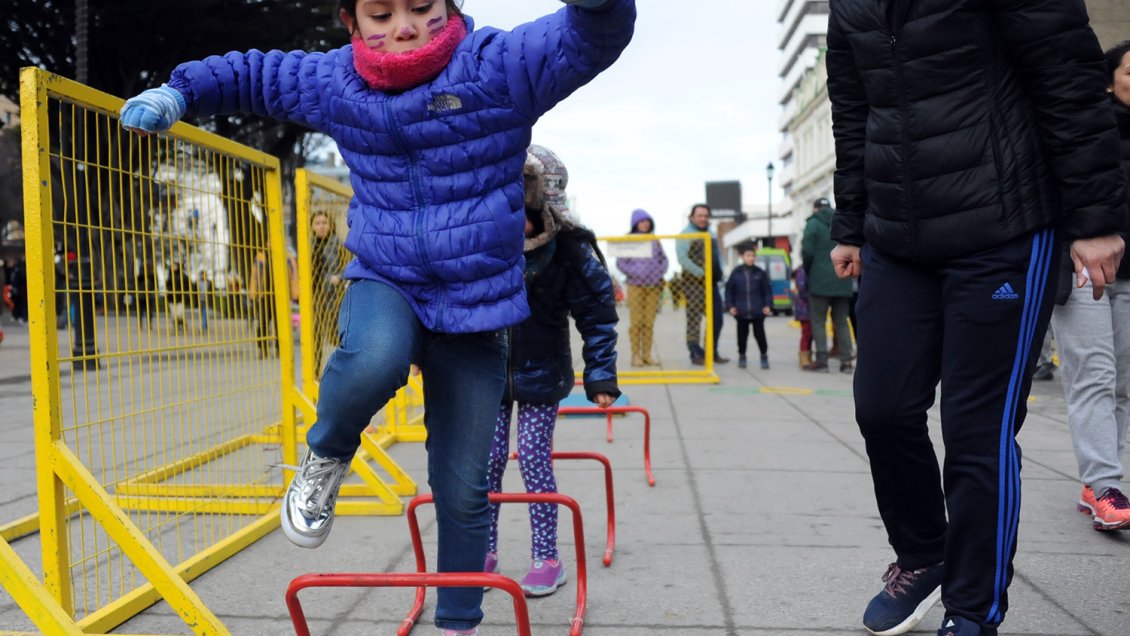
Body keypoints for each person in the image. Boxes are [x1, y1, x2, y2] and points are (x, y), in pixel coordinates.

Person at [119, 2, 634, 634]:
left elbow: (586, 38)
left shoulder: (496, 68)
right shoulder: (339, 82)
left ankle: (458, 621)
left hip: (477, 303)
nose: (405, 26)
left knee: (466, 488)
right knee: (374, 358)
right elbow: (256, 74)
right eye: (382, 13)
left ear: (449, 10)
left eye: (422, 8)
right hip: (386, 276)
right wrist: (181, 90)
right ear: (352, 23)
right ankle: (325, 458)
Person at [826, 2, 1127, 635]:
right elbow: (853, 108)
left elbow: (1069, 80)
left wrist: (1096, 218)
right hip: (896, 236)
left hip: (1005, 226)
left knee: (976, 433)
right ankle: (924, 552)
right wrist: (850, 223)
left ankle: (972, 611)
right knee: (882, 408)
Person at [485, 145, 619, 597]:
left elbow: (598, 313)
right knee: (486, 462)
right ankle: (483, 550)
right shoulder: (485, 244)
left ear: (545, 208)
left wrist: (600, 375)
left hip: (542, 373)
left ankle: (547, 556)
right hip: (488, 375)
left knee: (533, 457)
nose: (515, 224)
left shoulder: (567, 250)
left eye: (523, 213)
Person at [1051, 39, 1130, 533]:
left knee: (1123, 381)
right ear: (1109, 80)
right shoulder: (1083, 129)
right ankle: (1105, 485)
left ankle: (1099, 481)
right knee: (1094, 376)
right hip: (1084, 270)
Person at [801, 197, 853, 373]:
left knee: (818, 321)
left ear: (815, 209)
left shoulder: (813, 224)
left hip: (819, 281)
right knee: (842, 322)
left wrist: (809, 271)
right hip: (843, 278)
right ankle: (846, 361)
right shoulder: (843, 221)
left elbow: (807, 251)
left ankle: (822, 360)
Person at [676, 204, 728, 365]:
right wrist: (702, 273)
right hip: (694, 284)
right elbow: (682, 258)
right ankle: (695, 353)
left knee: (717, 319)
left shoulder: (711, 233)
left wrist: (721, 270)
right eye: (700, 215)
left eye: (706, 215)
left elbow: (718, 255)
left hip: (712, 284)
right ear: (692, 217)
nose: (703, 218)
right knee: (694, 320)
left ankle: (711, 351)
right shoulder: (686, 234)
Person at [615, 208, 667, 366]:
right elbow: (620, 263)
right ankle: (635, 355)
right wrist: (636, 273)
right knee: (636, 322)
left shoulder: (655, 240)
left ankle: (647, 354)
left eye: (647, 221)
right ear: (635, 223)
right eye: (642, 221)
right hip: (635, 286)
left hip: (653, 286)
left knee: (649, 322)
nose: (645, 224)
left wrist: (657, 274)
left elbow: (663, 260)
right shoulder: (628, 239)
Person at [724, 244, 772, 369]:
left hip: (758, 311)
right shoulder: (736, 273)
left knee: (760, 335)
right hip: (741, 311)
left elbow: (767, 291)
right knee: (742, 336)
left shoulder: (760, 273)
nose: (751, 258)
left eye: (753, 256)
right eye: (748, 256)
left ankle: (764, 356)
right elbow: (729, 291)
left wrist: (767, 305)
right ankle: (742, 356)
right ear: (742, 257)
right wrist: (730, 306)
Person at [309, 210, 346, 372]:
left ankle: (341, 370)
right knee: (314, 336)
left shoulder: (337, 244)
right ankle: (314, 373)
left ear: (331, 225)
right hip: (314, 298)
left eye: (324, 223)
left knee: (335, 335)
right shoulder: (308, 245)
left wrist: (339, 277)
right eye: (317, 223)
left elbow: (348, 266)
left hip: (333, 297)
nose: (321, 227)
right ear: (311, 226)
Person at [791, 265, 812, 368]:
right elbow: (802, 289)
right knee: (806, 333)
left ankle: (808, 356)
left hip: (807, 307)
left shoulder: (805, 269)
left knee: (810, 333)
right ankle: (804, 357)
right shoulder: (803, 270)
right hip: (804, 307)